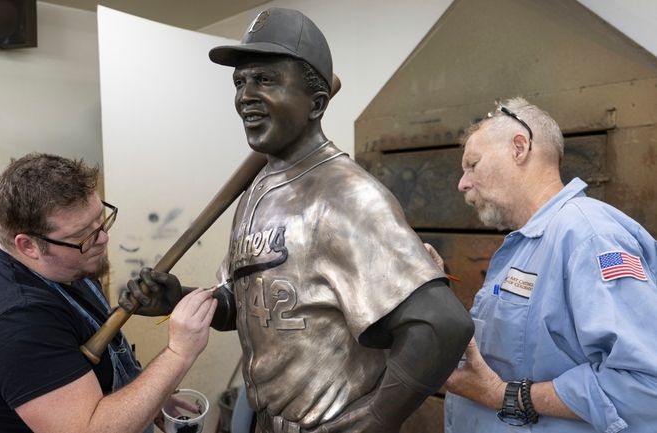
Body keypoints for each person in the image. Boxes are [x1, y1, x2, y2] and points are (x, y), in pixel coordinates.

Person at [119, 8, 473, 433]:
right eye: (240, 82)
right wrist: (179, 298)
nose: (245, 95)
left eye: (265, 80)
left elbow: (442, 325)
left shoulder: (347, 195)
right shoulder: (256, 192)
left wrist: (375, 419)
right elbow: (248, 306)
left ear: (317, 103)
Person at [0, 153, 218, 433]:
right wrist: (178, 353)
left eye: (100, 220)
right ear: (28, 246)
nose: (103, 238)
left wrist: (151, 400)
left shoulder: (65, 265)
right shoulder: (14, 324)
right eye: (83, 235)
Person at [444, 97, 657, 432]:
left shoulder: (589, 236)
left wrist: (505, 396)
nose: (463, 183)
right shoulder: (523, 245)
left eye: (473, 164)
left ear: (519, 147)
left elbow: (646, 387)